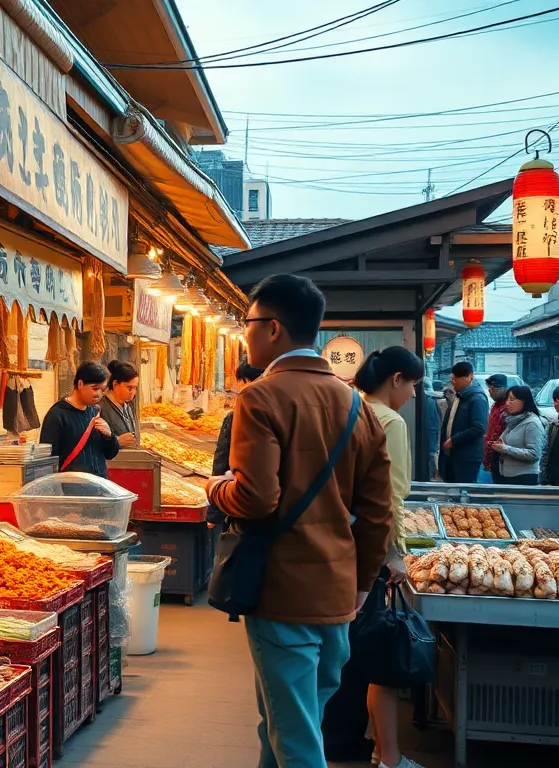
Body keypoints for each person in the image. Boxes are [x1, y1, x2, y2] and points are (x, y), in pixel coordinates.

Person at [207, 274, 393, 768]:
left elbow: (255, 499)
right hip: (336, 592)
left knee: (296, 738)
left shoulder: (260, 398)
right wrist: (360, 585)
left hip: (281, 592)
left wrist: (214, 487)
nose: (244, 334)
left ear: (272, 328)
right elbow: (379, 514)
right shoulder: (359, 407)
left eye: (247, 323)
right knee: (288, 720)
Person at [323, 347, 427, 768]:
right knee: (364, 645)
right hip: (367, 548)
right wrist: (395, 555)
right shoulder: (390, 421)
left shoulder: (348, 409)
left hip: (335, 542)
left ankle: (340, 738)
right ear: (397, 379)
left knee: (340, 644)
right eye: (414, 386)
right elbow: (390, 497)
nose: (414, 396)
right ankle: (372, 749)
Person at [208, 362, 264, 529]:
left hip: (241, 505)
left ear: (246, 381)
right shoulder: (280, 411)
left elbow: (221, 463)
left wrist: (214, 513)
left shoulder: (236, 417)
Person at [40, 361, 120, 477]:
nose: (98, 394)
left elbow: (110, 454)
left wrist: (109, 436)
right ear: (80, 384)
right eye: (94, 388)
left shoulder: (95, 412)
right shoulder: (57, 415)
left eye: (102, 390)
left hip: (98, 486)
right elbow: (47, 459)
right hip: (71, 488)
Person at [438, 362, 489, 484]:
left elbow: (479, 428)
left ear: (470, 377)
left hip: (467, 457)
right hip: (451, 455)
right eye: (452, 378)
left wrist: (454, 440)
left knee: (463, 493)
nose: (453, 382)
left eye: (456, 378)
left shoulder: (477, 398)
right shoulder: (459, 396)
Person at [490, 384, 546, 485]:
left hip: (523, 477)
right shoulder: (512, 420)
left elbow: (534, 454)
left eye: (512, 399)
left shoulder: (532, 423)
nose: (508, 403)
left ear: (524, 401)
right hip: (506, 475)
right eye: (507, 399)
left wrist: (505, 449)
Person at [99, 360, 140, 449]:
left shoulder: (127, 406)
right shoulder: (100, 407)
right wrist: (117, 441)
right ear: (115, 384)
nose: (133, 392)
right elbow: (93, 442)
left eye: (135, 388)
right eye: (129, 388)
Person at [481, 374, 511, 484]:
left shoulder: (508, 408)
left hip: (502, 455)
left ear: (503, 389)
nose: (490, 392)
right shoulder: (494, 406)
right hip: (491, 454)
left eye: (493, 389)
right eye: (489, 389)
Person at [541, 383, 559, 486]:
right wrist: (544, 478)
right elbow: (546, 454)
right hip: (554, 482)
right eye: (555, 400)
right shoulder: (554, 425)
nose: (556, 404)